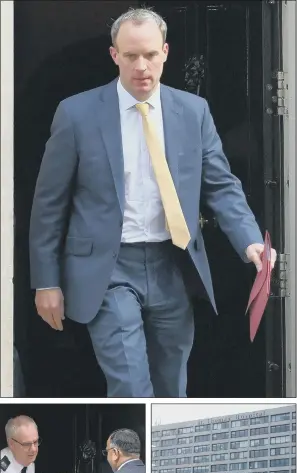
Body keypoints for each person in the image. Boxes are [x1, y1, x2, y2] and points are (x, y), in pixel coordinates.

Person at [29, 7, 277, 398]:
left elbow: (221, 185)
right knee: (130, 384)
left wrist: (249, 241)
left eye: (149, 54)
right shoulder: (76, 114)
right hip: (108, 269)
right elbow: (49, 204)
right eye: (130, 56)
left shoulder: (193, 112)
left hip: (173, 264)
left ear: (165, 52)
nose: (141, 66)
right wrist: (46, 281)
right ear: (114, 56)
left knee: (171, 386)